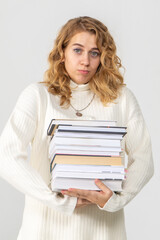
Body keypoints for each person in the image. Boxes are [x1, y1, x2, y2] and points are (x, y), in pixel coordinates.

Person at [0, 16, 154, 240]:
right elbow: (6, 155)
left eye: (94, 53)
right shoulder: (38, 96)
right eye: (78, 50)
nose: (86, 61)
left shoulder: (121, 99)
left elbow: (144, 158)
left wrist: (114, 201)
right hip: (44, 230)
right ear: (62, 53)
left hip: (103, 231)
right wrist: (57, 200)